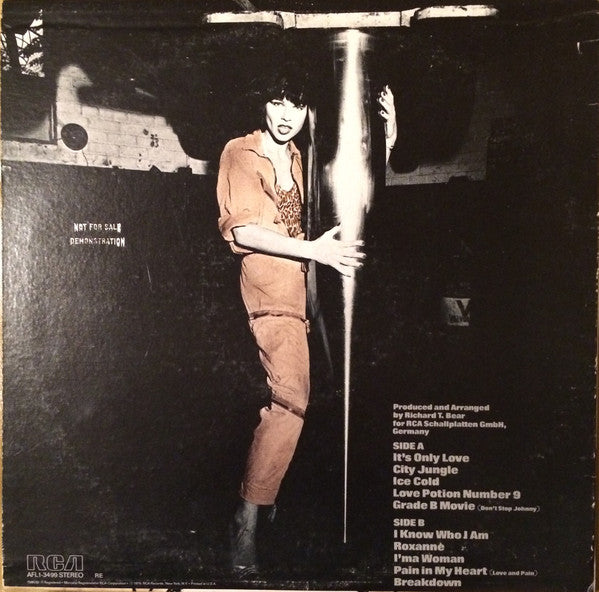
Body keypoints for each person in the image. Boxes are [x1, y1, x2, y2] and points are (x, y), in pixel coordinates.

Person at [216, 69, 397, 576]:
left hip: (308, 292)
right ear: (262, 103)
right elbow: (244, 231)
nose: (286, 116)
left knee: (322, 397)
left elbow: (350, 193)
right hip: (271, 291)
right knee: (291, 401)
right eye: (277, 102)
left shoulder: (298, 155)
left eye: (296, 105)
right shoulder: (241, 152)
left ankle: (268, 497)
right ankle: (245, 522)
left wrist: (387, 139)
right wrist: (314, 251)